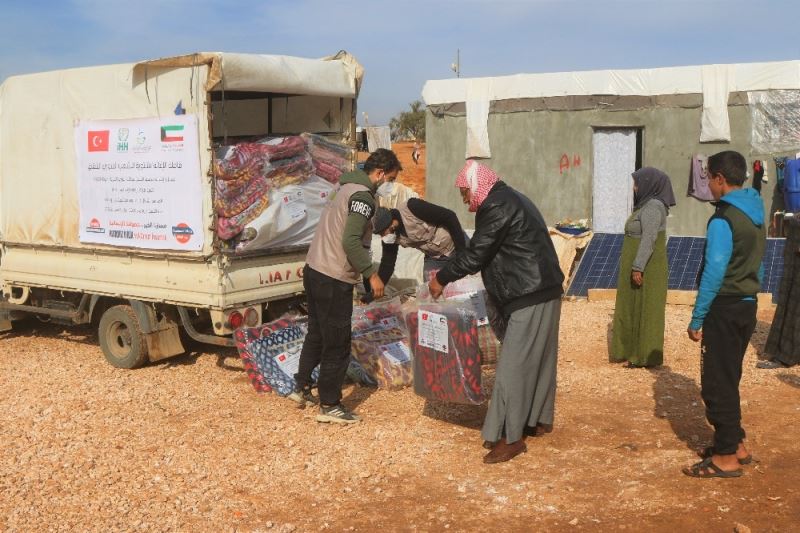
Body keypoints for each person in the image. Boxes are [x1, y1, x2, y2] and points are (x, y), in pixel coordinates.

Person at [428, 160, 564, 464]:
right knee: (539, 360)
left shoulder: (496, 205)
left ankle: (509, 436)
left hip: (530, 292)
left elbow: (477, 254)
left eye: (465, 193)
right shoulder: (512, 198)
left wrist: (442, 277)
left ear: (477, 186)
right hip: (544, 289)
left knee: (512, 368)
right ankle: (537, 420)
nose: (465, 201)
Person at [290, 148, 402, 424]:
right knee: (338, 342)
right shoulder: (362, 197)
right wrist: (371, 274)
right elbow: (351, 240)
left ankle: (301, 387)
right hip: (333, 276)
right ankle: (330, 405)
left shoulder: (344, 187)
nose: (388, 185)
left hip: (314, 268)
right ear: (378, 173)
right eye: (389, 178)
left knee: (317, 332)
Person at [683, 150, 765, 478]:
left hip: (725, 307)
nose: (708, 186)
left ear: (720, 178)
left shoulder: (724, 218)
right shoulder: (755, 211)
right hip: (746, 304)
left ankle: (726, 457)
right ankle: (734, 443)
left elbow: (715, 270)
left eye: (709, 179)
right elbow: (756, 261)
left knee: (717, 383)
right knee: (729, 377)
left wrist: (697, 316)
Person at [610, 167, 675, 368]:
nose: (635, 188)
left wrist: (638, 266)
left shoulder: (653, 207)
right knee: (631, 308)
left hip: (648, 267)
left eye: (637, 183)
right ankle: (628, 351)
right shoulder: (646, 206)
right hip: (640, 264)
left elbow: (649, 239)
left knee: (646, 310)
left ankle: (643, 356)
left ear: (649, 183)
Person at [371, 199, 468, 287]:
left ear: (391, 223)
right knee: (432, 289)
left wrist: (461, 253)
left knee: (465, 285)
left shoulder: (412, 208)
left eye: (383, 232)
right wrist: (377, 289)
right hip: (435, 257)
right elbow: (387, 264)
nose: (383, 236)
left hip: (457, 245)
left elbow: (449, 216)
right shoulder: (391, 237)